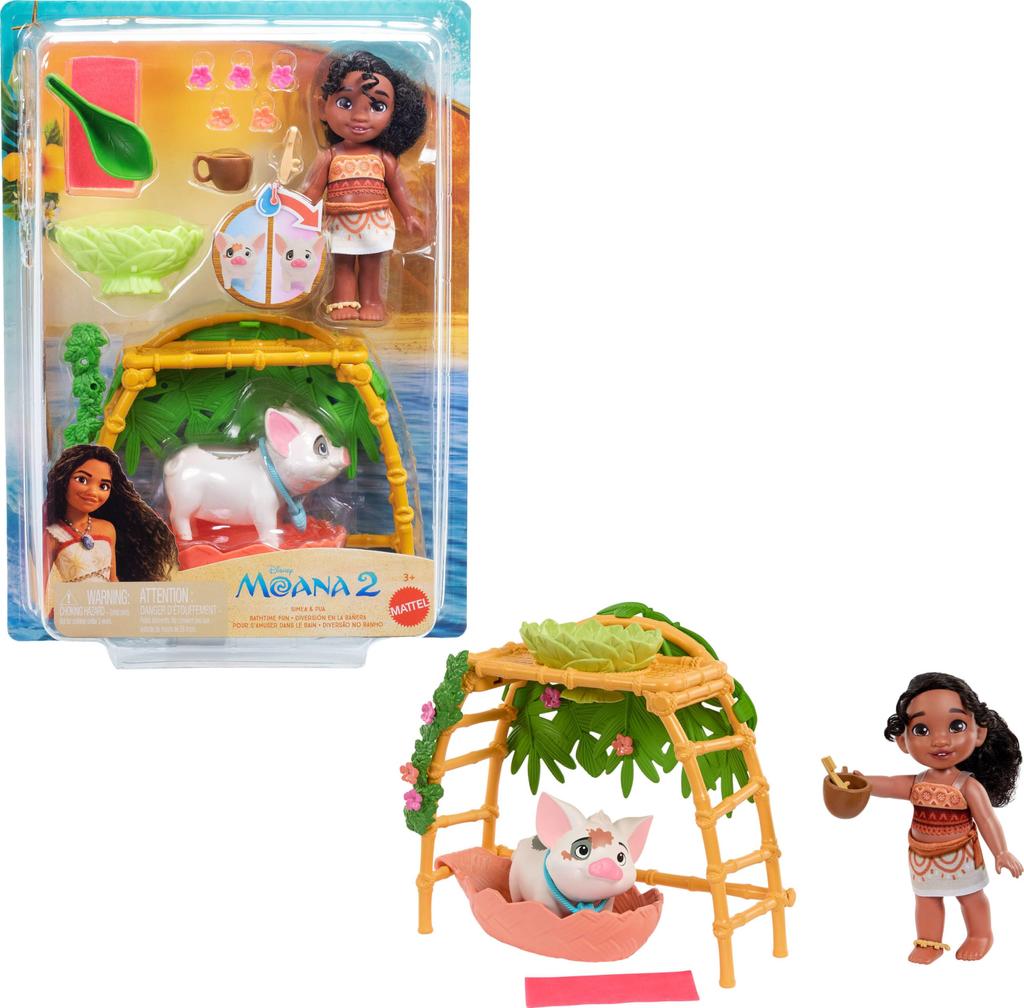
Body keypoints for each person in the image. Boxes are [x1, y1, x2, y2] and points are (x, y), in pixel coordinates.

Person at [858, 673, 1021, 963]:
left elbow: (987, 820)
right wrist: (861, 783)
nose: (941, 740)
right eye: (921, 730)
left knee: (970, 897)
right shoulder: (916, 783)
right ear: (903, 741)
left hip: (961, 855)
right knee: (926, 899)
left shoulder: (968, 786)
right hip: (923, 857)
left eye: (957, 726)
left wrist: (1001, 851)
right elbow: (889, 784)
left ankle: (980, 935)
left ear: (979, 733)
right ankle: (929, 943)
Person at [303, 50, 427, 324]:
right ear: (323, 107)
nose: (360, 116)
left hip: (375, 222)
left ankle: (372, 301)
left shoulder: (383, 157)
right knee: (342, 264)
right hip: (339, 222)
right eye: (345, 102)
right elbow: (312, 190)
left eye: (377, 106)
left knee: (372, 264)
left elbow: (398, 189)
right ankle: (343, 301)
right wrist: (297, 215)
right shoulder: (330, 156)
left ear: (394, 113)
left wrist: (409, 215)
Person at [44, 444, 177, 612]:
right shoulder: (53, 534)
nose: (93, 492)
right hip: (76, 613)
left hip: (108, 612)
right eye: (82, 480)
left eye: (103, 486)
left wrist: (124, 609)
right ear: (63, 480)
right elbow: (40, 591)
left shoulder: (107, 529)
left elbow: (113, 579)